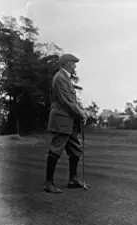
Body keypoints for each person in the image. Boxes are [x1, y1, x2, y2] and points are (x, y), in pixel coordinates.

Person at [44, 53, 87, 193]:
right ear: (68, 64)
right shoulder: (60, 78)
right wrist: (80, 113)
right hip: (61, 119)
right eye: (74, 64)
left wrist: (79, 113)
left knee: (75, 149)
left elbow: (70, 100)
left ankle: (73, 179)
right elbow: (66, 101)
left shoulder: (65, 79)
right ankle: (48, 184)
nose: (75, 66)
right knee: (56, 149)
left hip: (69, 120)